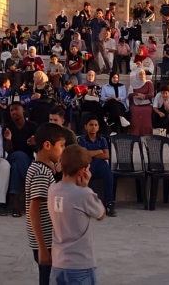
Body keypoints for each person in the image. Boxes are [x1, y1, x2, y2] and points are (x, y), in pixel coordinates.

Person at [48, 144, 107, 285]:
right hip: (79, 265)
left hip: (58, 263)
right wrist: (86, 187)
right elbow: (101, 214)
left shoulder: (52, 189)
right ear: (82, 171)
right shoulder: (84, 194)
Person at [25, 123, 69, 285]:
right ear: (47, 145)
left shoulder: (39, 168)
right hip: (46, 242)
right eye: (61, 146)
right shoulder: (41, 173)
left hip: (47, 240)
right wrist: (42, 248)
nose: (63, 150)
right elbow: (34, 210)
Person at [3, 101, 38, 217]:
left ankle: (15, 205)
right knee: (18, 155)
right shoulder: (8, 127)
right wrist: (8, 140)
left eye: (16, 109)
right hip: (12, 157)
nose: (13, 112)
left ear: (22, 110)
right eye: (11, 110)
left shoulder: (32, 126)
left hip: (27, 159)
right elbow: (8, 150)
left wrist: (34, 142)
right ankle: (31, 186)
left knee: (16, 168)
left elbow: (37, 149)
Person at [77, 117, 117, 216]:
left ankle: (109, 204)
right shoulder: (82, 140)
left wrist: (90, 153)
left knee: (109, 175)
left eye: (96, 125)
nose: (93, 127)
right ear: (86, 127)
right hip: (87, 164)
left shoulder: (102, 139)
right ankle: (87, 205)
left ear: (98, 127)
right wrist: (99, 151)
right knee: (86, 175)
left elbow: (106, 155)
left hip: (101, 164)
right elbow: (83, 155)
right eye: (91, 125)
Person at [127, 69, 154, 136]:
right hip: (135, 103)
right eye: (140, 74)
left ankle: (147, 133)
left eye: (143, 74)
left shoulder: (149, 83)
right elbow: (129, 95)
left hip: (146, 103)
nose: (142, 75)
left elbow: (151, 94)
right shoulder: (133, 84)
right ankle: (135, 132)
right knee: (135, 111)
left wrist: (144, 96)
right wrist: (137, 94)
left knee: (147, 111)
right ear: (137, 75)